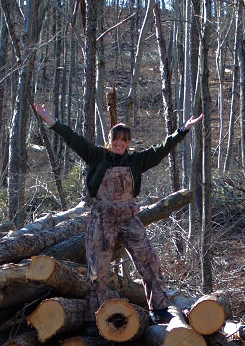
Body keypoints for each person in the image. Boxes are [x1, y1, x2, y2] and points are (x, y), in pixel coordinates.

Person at [33, 103, 203, 324]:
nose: (119, 143)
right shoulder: (96, 156)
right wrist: (51, 121)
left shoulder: (137, 161)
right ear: (110, 140)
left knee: (149, 260)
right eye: (116, 139)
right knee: (97, 270)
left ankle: (159, 310)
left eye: (124, 140)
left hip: (128, 217)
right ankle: (96, 318)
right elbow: (73, 139)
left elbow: (162, 148)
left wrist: (182, 130)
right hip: (102, 219)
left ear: (128, 142)